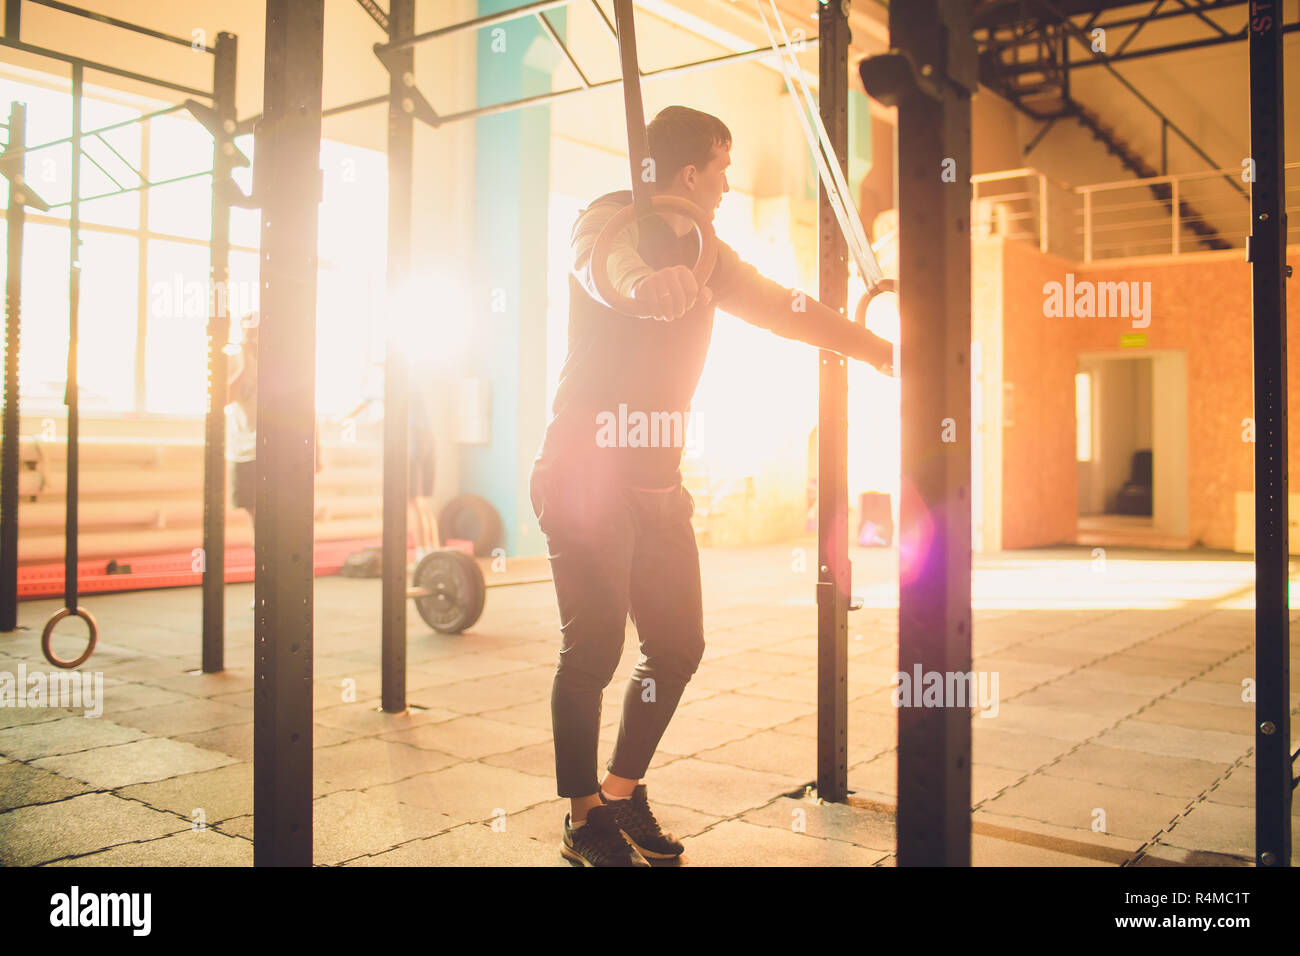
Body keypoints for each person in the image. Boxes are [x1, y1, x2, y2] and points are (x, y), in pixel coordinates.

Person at [530, 106, 895, 867]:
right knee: (592, 653)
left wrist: (876, 348)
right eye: (722, 169)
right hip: (585, 473)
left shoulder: (709, 255)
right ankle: (581, 814)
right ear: (690, 172)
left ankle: (622, 792)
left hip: (658, 484)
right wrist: (643, 283)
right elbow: (603, 265)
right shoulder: (606, 218)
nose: (728, 184)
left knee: (677, 647)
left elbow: (787, 309)